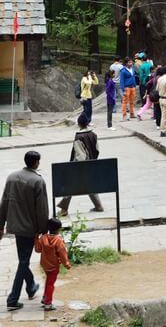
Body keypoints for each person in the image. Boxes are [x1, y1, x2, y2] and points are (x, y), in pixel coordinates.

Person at [0, 150, 50, 311]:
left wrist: (1, 225)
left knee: (23, 259)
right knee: (24, 261)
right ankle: (13, 299)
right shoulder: (37, 181)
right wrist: (43, 229)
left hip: (15, 226)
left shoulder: (12, 177)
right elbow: (42, 209)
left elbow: (4, 202)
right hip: (29, 228)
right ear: (36, 163)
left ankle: (31, 287)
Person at [58, 115, 103, 215]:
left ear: (78, 124)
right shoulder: (93, 135)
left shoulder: (79, 137)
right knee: (88, 184)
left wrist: (74, 167)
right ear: (87, 123)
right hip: (91, 166)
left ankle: (63, 210)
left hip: (82, 167)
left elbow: (81, 156)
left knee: (70, 184)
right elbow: (97, 150)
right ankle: (98, 205)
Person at [34, 218, 68, 311]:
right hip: (54, 266)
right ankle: (48, 303)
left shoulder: (43, 238)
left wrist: (36, 238)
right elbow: (62, 253)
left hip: (45, 265)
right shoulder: (58, 241)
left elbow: (37, 250)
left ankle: (45, 298)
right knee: (50, 284)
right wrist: (66, 264)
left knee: (48, 281)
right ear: (58, 229)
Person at [155, 65, 166, 137]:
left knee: (163, 115)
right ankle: (163, 131)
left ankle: (165, 129)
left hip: (160, 98)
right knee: (164, 117)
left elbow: (156, 89)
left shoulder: (159, 79)